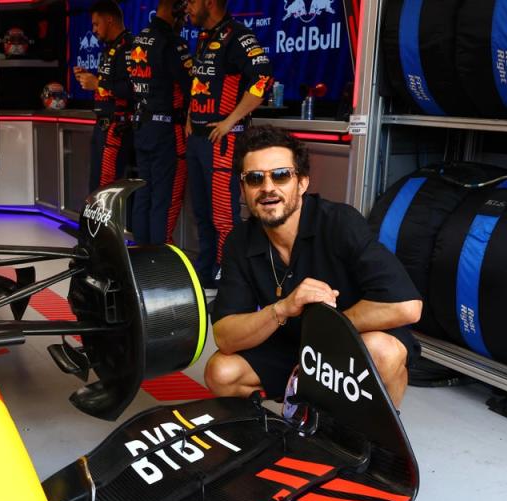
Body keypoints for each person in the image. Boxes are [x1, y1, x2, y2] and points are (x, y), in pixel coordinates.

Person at [204, 125, 423, 407]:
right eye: (255, 178)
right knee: (221, 371)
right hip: (291, 345)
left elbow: (407, 306)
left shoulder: (339, 222)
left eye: (281, 175)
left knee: (384, 351)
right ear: (243, 187)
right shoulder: (240, 241)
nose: (268, 188)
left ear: (303, 182)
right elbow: (225, 337)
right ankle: (296, 416)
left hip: (352, 342)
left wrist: (322, 332)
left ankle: (374, 441)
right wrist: (282, 308)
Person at [185, 0, 273, 289]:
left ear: (209, 2)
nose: (186, 7)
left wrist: (230, 120)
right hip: (198, 140)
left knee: (223, 216)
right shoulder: (203, 38)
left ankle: (229, 277)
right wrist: (189, 117)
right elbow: (198, 83)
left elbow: (263, 78)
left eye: (191, 2)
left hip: (223, 140)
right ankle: (206, 273)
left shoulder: (238, 36)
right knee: (202, 213)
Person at [127, 0, 192, 245]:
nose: (184, 19)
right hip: (165, 129)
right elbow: (192, 86)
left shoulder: (140, 38)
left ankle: (141, 254)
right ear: (174, 10)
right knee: (162, 198)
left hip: (141, 126)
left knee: (143, 193)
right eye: (182, 14)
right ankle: (158, 258)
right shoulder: (172, 42)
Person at [73, 0, 133, 192]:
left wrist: (97, 83)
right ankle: (93, 223)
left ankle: (105, 224)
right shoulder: (110, 48)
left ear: (109, 20)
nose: (94, 29)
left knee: (107, 189)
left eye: (96, 24)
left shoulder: (129, 47)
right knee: (96, 185)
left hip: (118, 129)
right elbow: (111, 83)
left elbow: (132, 88)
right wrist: (91, 78)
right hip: (102, 125)